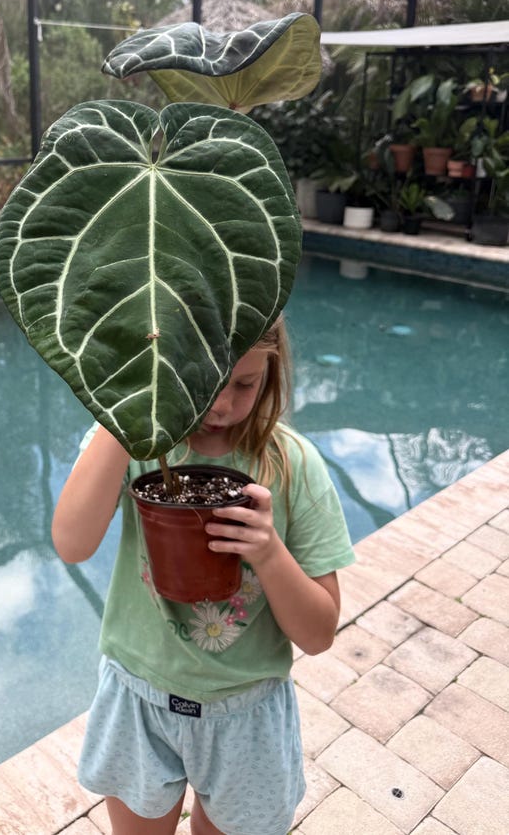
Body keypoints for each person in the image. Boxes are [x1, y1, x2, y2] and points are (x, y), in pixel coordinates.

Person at [52, 316, 355, 835]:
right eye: (202, 380)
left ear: (272, 374)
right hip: (138, 696)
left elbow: (319, 634)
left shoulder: (294, 466)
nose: (222, 404)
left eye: (245, 383)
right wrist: (126, 415)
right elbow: (73, 544)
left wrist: (268, 551)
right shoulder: (137, 445)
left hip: (247, 713)